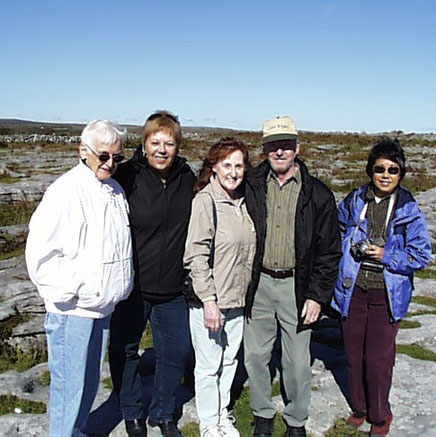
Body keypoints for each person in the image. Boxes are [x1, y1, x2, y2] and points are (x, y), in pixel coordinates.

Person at [25, 120, 133, 437]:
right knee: (68, 387)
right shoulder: (65, 191)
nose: (110, 163)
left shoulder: (114, 190)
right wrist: (77, 289)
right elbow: (41, 255)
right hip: (73, 309)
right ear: (82, 151)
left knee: (88, 382)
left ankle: (77, 431)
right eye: (104, 156)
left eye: (117, 157)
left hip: (101, 307)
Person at [244, 116, 342, 437]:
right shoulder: (251, 185)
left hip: (296, 287)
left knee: (297, 361)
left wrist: (317, 296)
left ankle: (296, 420)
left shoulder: (319, 195)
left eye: (286, 145)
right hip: (258, 284)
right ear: (265, 150)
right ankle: (261, 414)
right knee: (256, 355)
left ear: (297, 148)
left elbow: (329, 253)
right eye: (273, 145)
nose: (280, 151)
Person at [331, 138, 432, 437]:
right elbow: (336, 231)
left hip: (387, 295)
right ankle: (359, 409)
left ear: (401, 174)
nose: (385, 175)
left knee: (377, 359)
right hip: (353, 290)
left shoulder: (409, 210)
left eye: (393, 170)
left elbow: (421, 255)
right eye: (379, 169)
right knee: (352, 354)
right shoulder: (354, 201)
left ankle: (380, 414)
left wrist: (386, 255)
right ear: (370, 171)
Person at [108, 110, 196, 437]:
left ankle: (163, 412)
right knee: (124, 349)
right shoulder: (126, 176)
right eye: (155, 142)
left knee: (174, 353)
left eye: (169, 143)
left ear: (177, 146)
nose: (161, 149)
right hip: (132, 287)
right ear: (144, 144)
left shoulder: (188, 179)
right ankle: (132, 412)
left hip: (173, 289)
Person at [184, 137, 256, 437]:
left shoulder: (242, 202)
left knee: (229, 363)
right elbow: (195, 255)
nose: (233, 171)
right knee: (209, 365)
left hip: (238, 300)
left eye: (239, 165)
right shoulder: (206, 201)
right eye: (227, 164)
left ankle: (223, 414)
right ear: (213, 167)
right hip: (210, 302)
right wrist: (209, 301)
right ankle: (208, 423)